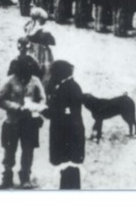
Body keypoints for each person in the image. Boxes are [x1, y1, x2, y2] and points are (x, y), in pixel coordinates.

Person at [0, 58, 46, 189]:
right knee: (9, 150)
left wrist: (36, 107)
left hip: (30, 122)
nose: (26, 75)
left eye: (29, 72)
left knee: (28, 150)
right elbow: (0, 100)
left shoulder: (35, 81)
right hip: (13, 121)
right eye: (24, 72)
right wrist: (16, 107)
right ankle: (7, 177)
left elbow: (42, 99)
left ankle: (25, 177)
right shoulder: (9, 81)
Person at [45, 59, 86, 189]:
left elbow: (59, 113)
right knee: (69, 173)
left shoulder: (67, 88)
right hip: (70, 135)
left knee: (69, 172)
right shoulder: (70, 86)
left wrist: (42, 110)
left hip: (67, 136)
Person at [24, 7, 56, 79]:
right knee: (44, 66)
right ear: (40, 19)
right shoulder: (43, 31)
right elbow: (52, 42)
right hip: (41, 50)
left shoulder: (29, 25)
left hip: (31, 48)